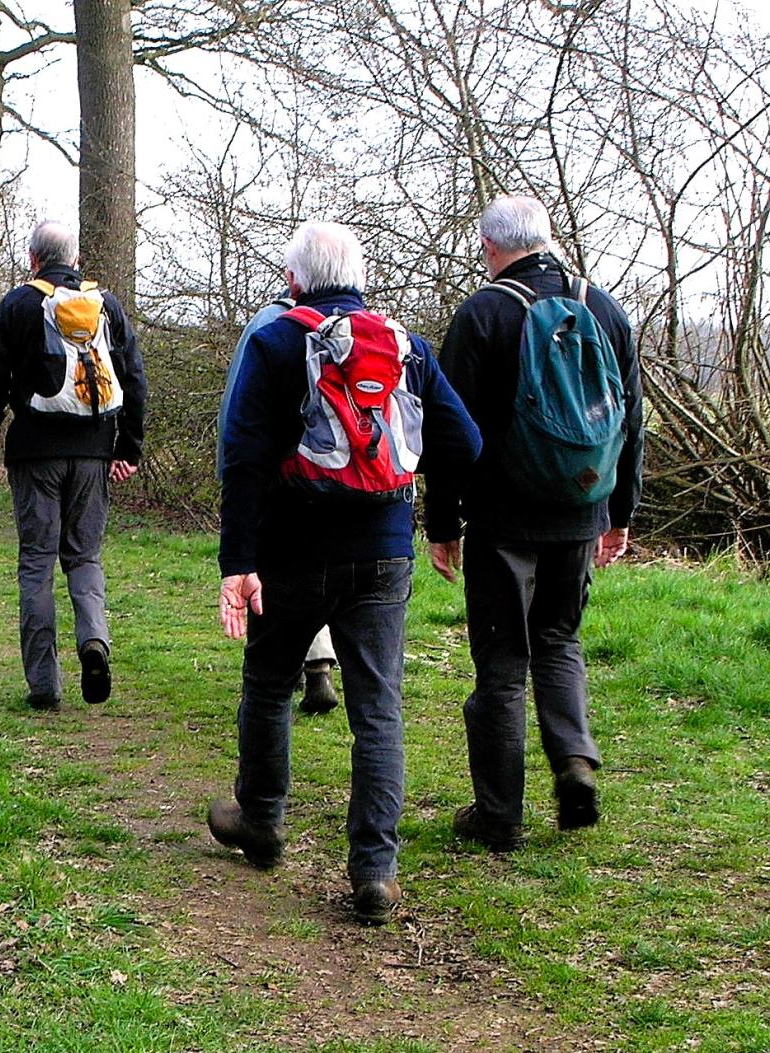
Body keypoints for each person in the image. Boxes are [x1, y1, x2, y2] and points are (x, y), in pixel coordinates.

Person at [209, 221, 481, 924]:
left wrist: (239, 562)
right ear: (361, 278)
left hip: (290, 549)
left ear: (295, 280)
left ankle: (263, 823)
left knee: (269, 687)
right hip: (384, 552)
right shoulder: (405, 348)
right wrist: (408, 482)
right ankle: (374, 871)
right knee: (378, 711)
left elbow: (241, 458)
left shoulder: (275, 340)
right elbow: (466, 441)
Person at [425, 195, 645, 852]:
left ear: (490, 248)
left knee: (500, 663)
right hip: (580, 512)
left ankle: (499, 815)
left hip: (502, 521)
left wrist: (442, 523)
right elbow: (630, 420)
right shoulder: (603, 307)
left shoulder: (483, 314)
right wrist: (618, 514)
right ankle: (573, 760)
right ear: (546, 239)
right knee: (559, 639)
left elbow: (450, 433)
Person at [0, 219, 148, 709]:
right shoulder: (105, 306)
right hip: (93, 453)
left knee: (37, 563)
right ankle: (93, 639)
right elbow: (133, 378)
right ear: (75, 261)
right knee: (85, 557)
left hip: (33, 453)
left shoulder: (19, 304)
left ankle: (45, 685)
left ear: (33, 259)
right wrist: (128, 448)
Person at [225, 292, 341, 716]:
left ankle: (291, 674)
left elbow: (236, 412)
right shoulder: (362, 329)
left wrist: (234, 479)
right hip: (353, 489)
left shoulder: (270, 327)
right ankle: (320, 667)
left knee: (277, 585)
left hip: (285, 488)